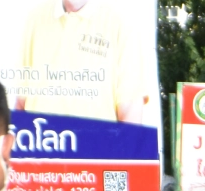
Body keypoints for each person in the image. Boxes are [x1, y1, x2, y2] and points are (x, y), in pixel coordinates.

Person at [17, 0, 151, 124]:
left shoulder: (122, 23)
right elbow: (20, 102)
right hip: (42, 138)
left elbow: (130, 115)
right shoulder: (35, 19)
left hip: (96, 142)